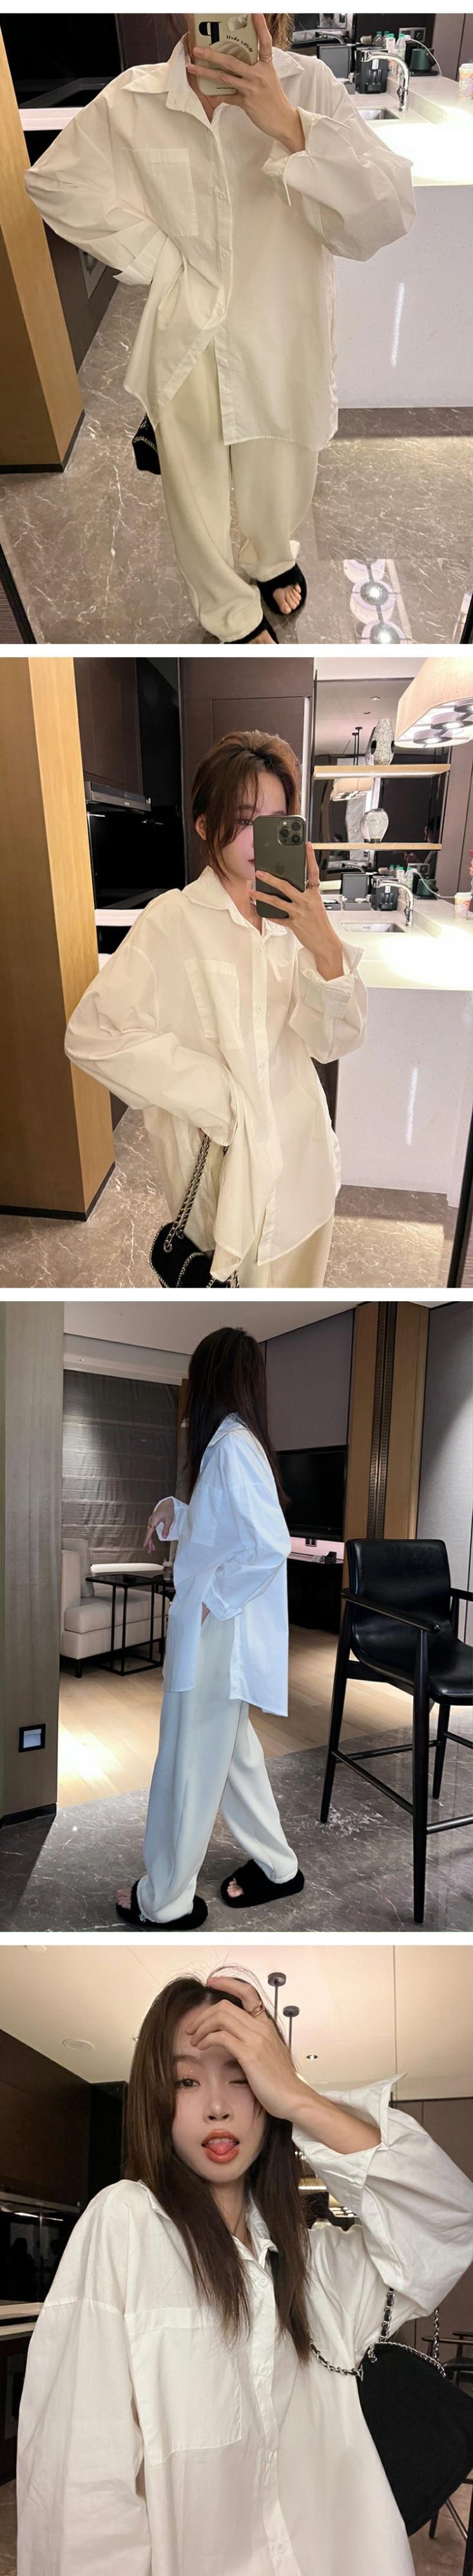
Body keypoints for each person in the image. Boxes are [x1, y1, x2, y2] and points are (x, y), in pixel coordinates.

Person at [16, 1966, 473, 2576]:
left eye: (243, 2078)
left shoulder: (315, 2265)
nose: (217, 2106)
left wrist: (298, 2096)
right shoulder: (128, 2224)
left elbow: (449, 2220)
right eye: (186, 2080)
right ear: (157, 2097)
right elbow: (83, 2495)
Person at [24, 15, 416, 645]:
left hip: (282, 323)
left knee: (283, 467)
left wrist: (289, 125)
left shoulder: (309, 85)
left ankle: (269, 557)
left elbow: (385, 212)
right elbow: (54, 181)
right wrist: (157, 256)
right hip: (185, 326)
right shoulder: (135, 98)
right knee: (194, 485)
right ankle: (227, 611)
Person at [64, 727, 367, 1288]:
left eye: (276, 822)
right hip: (222, 1191)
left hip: (305, 1175)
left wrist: (322, 940)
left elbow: (335, 1042)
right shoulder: (173, 921)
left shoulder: (297, 921)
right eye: (245, 819)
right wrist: (220, 1096)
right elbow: (92, 1035)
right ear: (205, 825)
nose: (260, 838)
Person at [115, 1324, 304, 1926]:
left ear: (211, 1381)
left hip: (218, 1633)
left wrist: (211, 1601)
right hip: (220, 1630)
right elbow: (224, 1527)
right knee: (231, 1755)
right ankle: (279, 1866)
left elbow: (271, 1544)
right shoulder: (234, 1445)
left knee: (189, 1761)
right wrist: (177, 1513)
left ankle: (166, 1900)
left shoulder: (231, 1448)